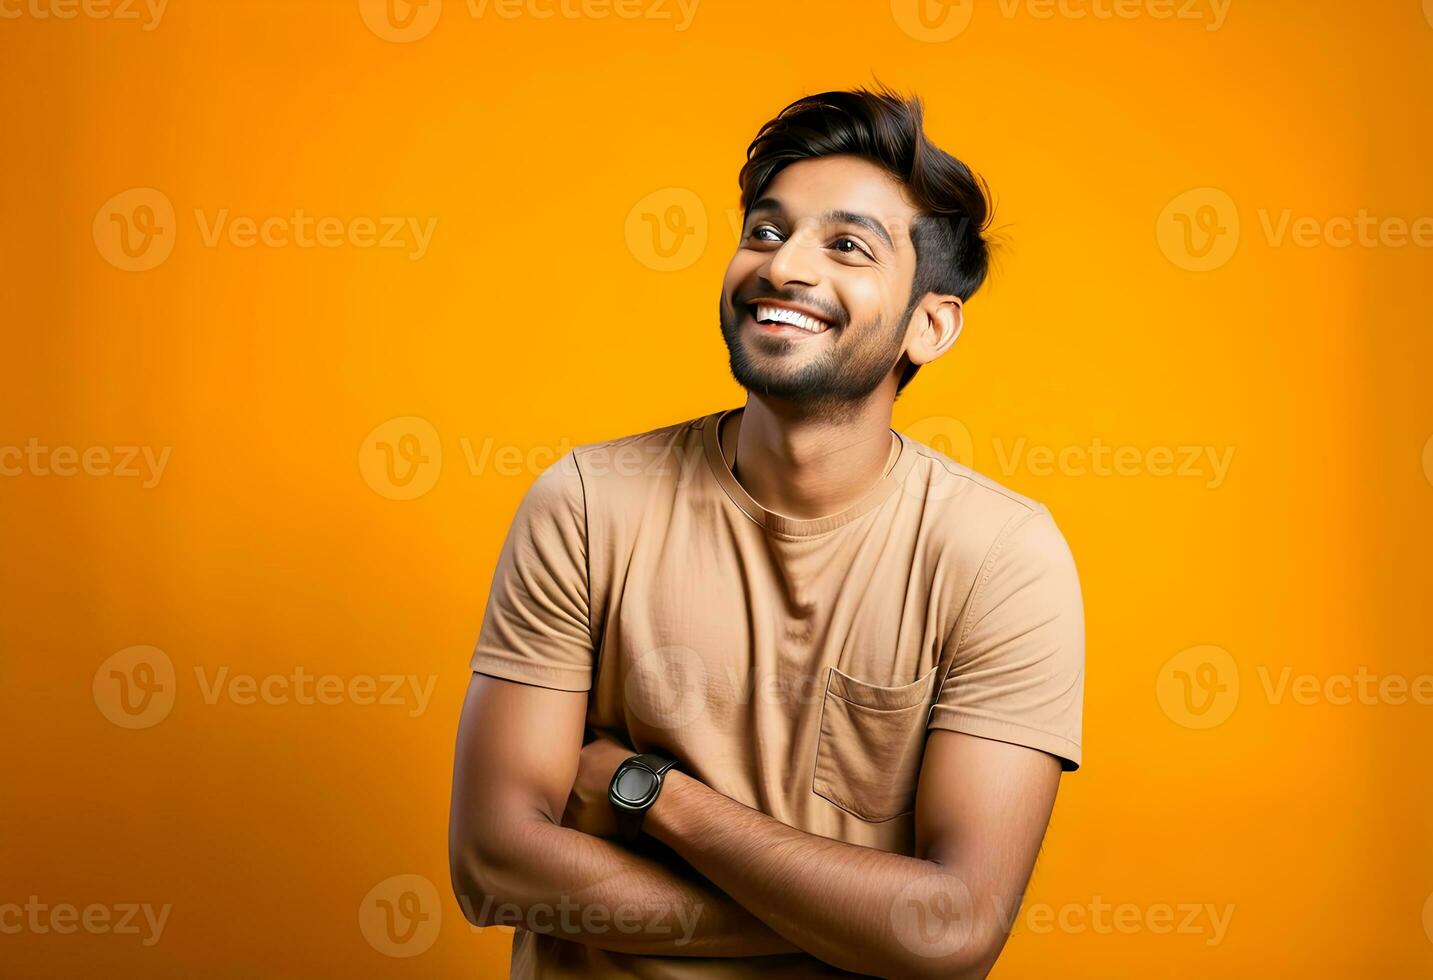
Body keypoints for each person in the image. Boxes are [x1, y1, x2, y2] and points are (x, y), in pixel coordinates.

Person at [448, 83, 1085, 979]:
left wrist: (655, 796)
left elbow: (952, 931)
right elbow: (491, 864)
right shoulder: (589, 504)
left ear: (930, 325)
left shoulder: (1000, 560)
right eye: (766, 231)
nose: (784, 268)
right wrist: (870, 922)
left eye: (847, 246)